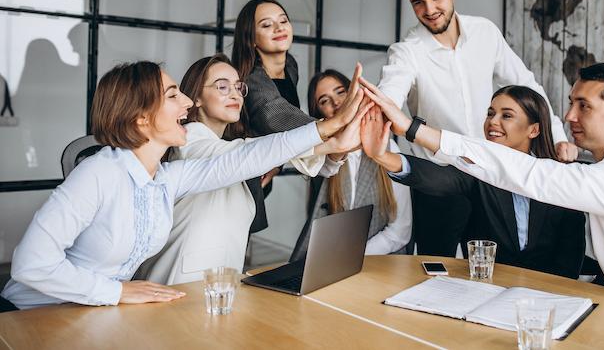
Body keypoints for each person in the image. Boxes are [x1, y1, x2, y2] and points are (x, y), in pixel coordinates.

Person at [0, 61, 369, 310]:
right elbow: (31, 265)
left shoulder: (165, 179)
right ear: (142, 117)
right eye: (174, 94)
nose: (188, 102)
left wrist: (326, 132)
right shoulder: (97, 174)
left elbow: (240, 160)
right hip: (29, 316)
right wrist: (116, 291)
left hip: (92, 313)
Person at [359, 63, 604, 311]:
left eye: (584, 106)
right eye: (571, 103)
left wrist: (410, 128)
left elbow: (530, 174)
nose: (569, 116)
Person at [378, 0, 578, 256]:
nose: (429, 10)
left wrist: (559, 137)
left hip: (489, 179)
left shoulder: (485, 32)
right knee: (435, 272)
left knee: (495, 269)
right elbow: (389, 96)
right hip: (439, 182)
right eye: (417, 2)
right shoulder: (406, 52)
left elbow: (527, 85)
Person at [135, 55, 358, 285]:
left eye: (238, 87)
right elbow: (249, 154)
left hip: (218, 288)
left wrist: (337, 148)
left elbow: (316, 165)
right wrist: (330, 129)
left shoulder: (234, 147)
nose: (234, 94)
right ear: (197, 98)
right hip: (176, 286)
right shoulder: (190, 141)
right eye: (222, 86)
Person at [362, 85, 585, 278]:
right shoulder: (479, 171)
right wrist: (383, 156)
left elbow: (569, 260)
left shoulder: (559, 178)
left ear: (533, 129)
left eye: (506, 115)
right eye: (490, 113)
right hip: (487, 290)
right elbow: (438, 178)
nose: (492, 122)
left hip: (549, 298)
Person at [231, 0, 355, 231]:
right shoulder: (250, 77)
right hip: (240, 170)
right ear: (251, 38)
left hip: (266, 166)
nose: (279, 29)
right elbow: (276, 115)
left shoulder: (290, 66)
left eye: (283, 21)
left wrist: (277, 163)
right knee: (230, 243)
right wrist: (333, 125)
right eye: (266, 25)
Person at [293, 70, 411, 256]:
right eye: (324, 100)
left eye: (341, 92)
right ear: (319, 114)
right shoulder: (324, 158)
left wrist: (352, 256)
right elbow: (325, 167)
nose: (336, 102)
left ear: (355, 93)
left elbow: (400, 232)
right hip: (332, 259)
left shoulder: (389, 150)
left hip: (382, 262)